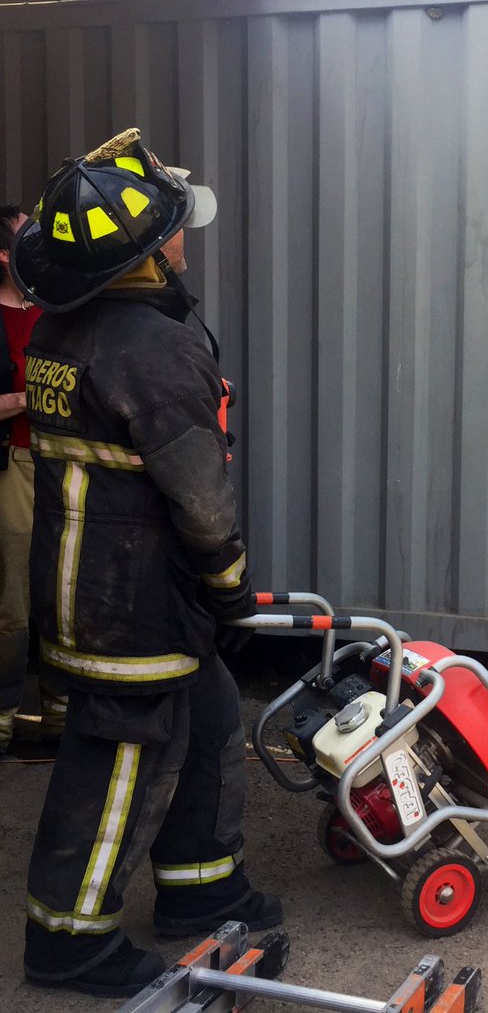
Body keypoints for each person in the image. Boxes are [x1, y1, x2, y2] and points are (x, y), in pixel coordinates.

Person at [9, 129, 281, 998]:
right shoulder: (152, 348)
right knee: (118, 759)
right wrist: (230, 586)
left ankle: (201, 882)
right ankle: (69, 941)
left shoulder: (67, 325)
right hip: (129, 600)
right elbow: (199, 494)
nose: (183, 236)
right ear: (143, 251)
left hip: (92, 580)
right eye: (173, 226)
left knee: (204, 714)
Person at [0, 203, 67, 754]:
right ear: (4, 254)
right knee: (15, 602)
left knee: (60, 596)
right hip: (16, 467)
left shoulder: (54, 310)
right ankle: (2, 722)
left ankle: (61, 721)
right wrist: (33, 396)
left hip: (62, 465)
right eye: (28, 236)